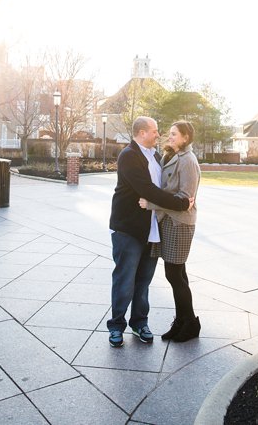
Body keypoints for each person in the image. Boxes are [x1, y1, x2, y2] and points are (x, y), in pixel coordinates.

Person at [107, 116, 192, 348]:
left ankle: (139, 323)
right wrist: (181, 203)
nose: (158, 134)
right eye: (154, 131)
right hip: (129, 229)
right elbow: (147, 190)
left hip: (152, 230)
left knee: (144, 281)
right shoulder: (128, 156)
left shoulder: (156, 156)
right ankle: (116, 326)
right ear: (142, 132)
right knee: (125, 280)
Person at [140, 121, 202, 341]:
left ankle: (190, 323)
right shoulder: (168, 156)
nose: (169, 136)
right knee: (177, 273)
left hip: (180, 222)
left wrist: (151, 204)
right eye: (170, 133)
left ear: (185, 138)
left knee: (174, 274)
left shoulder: (188, 161)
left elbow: (184, 200)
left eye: (175, 134)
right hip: (168, 221)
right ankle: (183, 321)